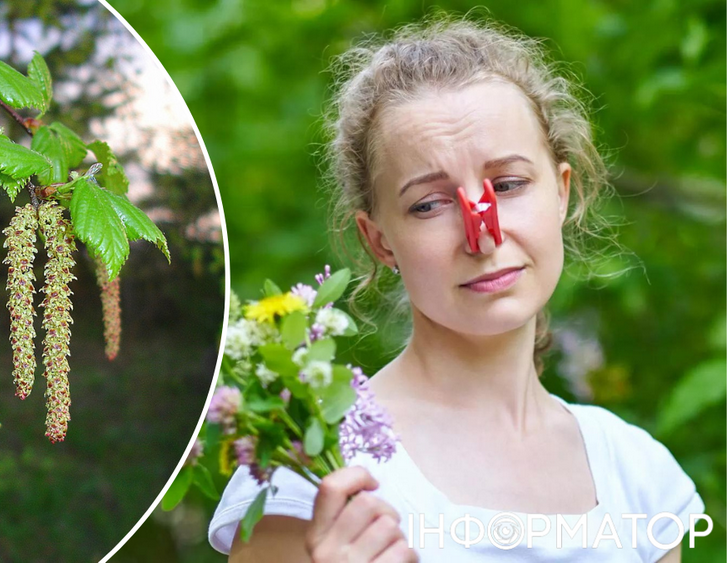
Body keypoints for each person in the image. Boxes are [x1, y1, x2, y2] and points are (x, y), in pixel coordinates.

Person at [207, 14, 706, 563]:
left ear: (562, 192)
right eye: (429, 204)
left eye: (510, 184)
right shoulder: (314, 475)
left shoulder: (640, 477)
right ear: (379, 240)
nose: (483, 238)